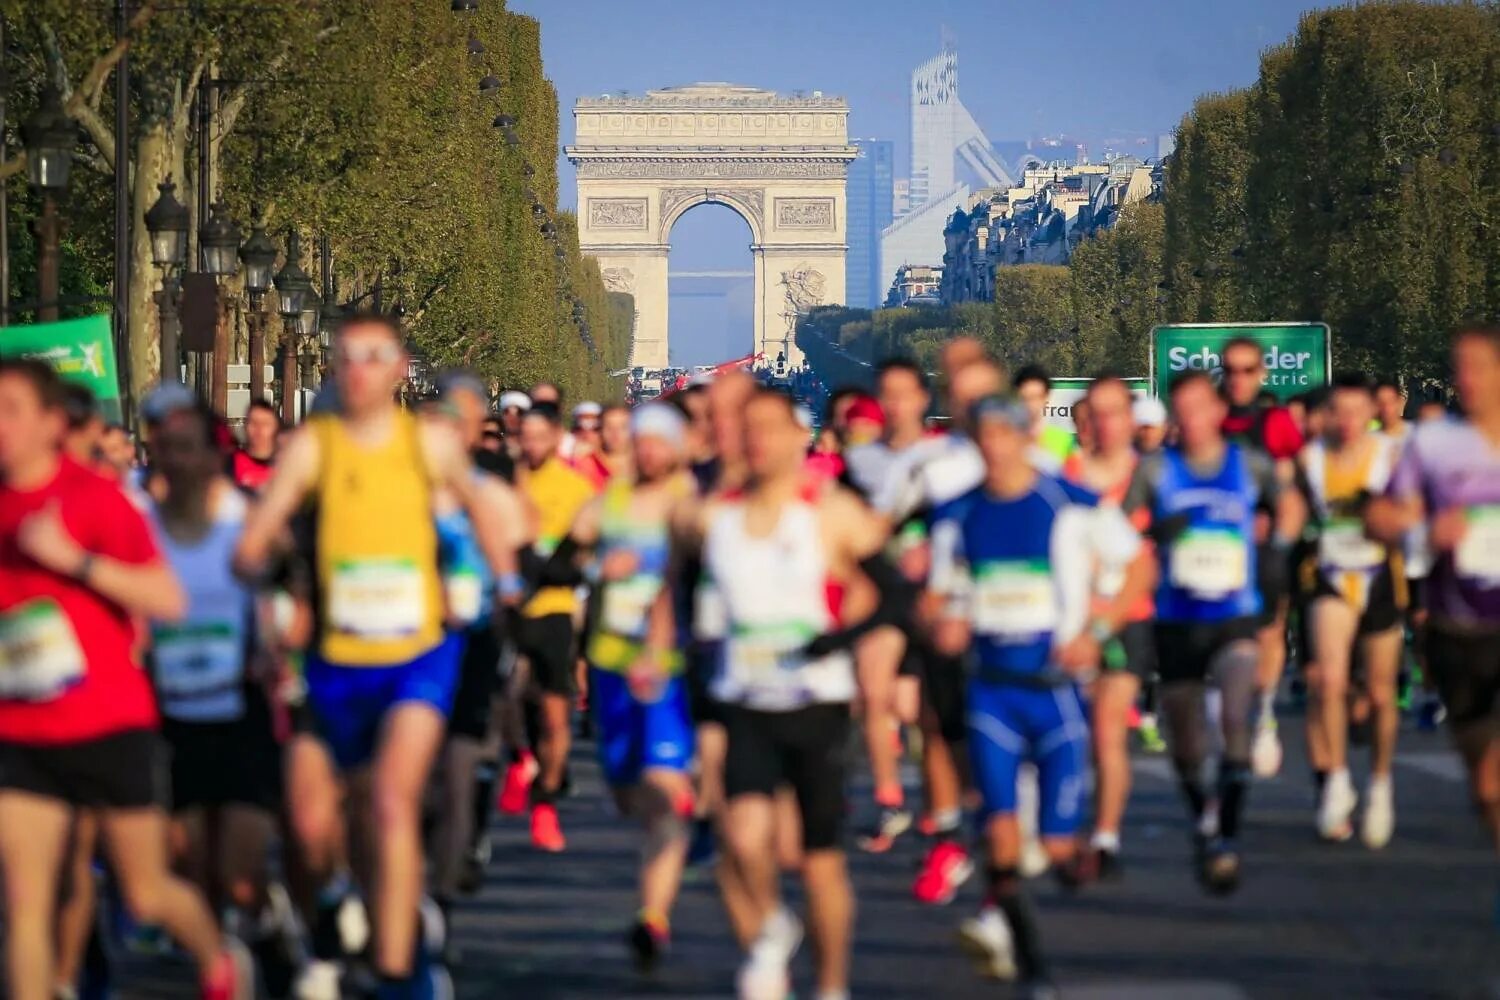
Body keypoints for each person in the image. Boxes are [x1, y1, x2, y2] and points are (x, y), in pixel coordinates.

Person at [235, 313, 515, 998]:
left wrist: (490, 582)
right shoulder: (312, 448)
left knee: (390, 802)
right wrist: (264, 569)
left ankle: (397, 973)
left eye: (374, 355)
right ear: (334, 367)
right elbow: (256, 538)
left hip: (415, 656)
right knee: (310, 823)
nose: (359, 368)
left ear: (398, 367)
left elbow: (482, 517)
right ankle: (335, 902)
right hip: (331, 660)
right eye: (347, 356)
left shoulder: (430, 447)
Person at [0, 358, 251, 1000]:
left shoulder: (94, 498)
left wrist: (74, 560)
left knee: (144, 894)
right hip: (20, 731)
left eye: (11, 410)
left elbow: (166, 599)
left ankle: (217, 960)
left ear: (52, 422)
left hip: (108, 724)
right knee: (27, 907)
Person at [678, 388, 893, 1000]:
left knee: (818, 860)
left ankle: (830, 984)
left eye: (774, 429)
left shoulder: (831, 511)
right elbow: (691, 608)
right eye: (750, 429)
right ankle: (773, 929)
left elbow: (893, 594)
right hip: (743, 698)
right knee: (740, 837)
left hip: (815, 702)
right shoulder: (708, 519)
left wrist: (838, 640)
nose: (760, 442)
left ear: (799, 437)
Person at [932, 394, 1150, 994]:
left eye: (1006, 436)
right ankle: (1031, 968)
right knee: (1000, 833)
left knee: (1055, 850)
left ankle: (1080, 855)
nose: (995, 449)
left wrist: (1098, 629)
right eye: (985, 437)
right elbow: (940, 594)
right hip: (991, 692)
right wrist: (943, 618)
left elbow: (1139, 566)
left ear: (1027, 436)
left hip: (1056, 691)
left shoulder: (1069, 502)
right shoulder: (958, 513)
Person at [1122, 369, 1301, 893]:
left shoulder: (1249, 465)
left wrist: (1277, 548)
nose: (1192, 420)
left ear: (1219, 411)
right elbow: (1120, 526)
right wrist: (1153, 532)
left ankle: (1225, 832)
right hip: (1177, 619)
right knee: (1185, 744)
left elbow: (1288, 502)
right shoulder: (1156, 471)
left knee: (1234, 713)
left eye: (1201, 408)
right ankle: (1204, 815)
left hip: (1234, 615)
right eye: (1182, 411)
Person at [558, 404, 697, 969]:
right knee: (624, 789)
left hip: (667, 670)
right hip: (613, 664)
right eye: (642, 443)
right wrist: (595, 571)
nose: (649, 453)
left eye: (660, 443)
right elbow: (564, 559)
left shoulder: (694, 501)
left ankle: (652, 916)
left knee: (665, 794)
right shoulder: (609, 502)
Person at [146, 401, 284, 944]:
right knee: (193, 866)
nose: (175, 461)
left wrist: (282, 636)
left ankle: (269, 928)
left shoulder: (246, 520)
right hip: (172, 713)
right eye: (165, 449)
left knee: (241, 871)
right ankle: (222, 964)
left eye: (187, 449)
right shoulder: (141, 525)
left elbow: (290, 591)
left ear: (212, 455)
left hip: (241, 708)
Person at [1368, 326, 1500, 877]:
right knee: (1487, 782)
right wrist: (1425, 525)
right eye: (1457, 368)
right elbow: (1380, 516)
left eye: (1477, 367)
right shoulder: (1433, 444)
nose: (1464, 379)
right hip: (1459, 628)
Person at [425, 374, 530, 936]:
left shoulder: (492, 497)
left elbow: (520, 574)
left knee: (458, 769)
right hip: (408, 641)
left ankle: (440, 895)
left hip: (473, 642)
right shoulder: (401, 491)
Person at [1298, 373, 1404, 847]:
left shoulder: (1391, 455)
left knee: (1380, 694)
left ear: (1370, 415)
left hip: (1381, 576)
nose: (1347, 422)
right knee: (1332, 681)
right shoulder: (1310, 459)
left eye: (1357, 412)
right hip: (1332, 576)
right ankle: (1338, 780)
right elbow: (1294, 517)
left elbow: (1412, 514)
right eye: (1338, 412)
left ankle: (1380, 784)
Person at [1061, 376, 1159, 879]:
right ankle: (1061, 827)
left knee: (1106, 729)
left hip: (1128, 618)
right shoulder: (1064, 477)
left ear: (1130, 419)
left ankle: (1104, 837)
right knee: (1065, 733)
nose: (1103, 424)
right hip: (1069, 623)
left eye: (1114, 412)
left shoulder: (1153, 477)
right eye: (1093, 414)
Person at [1217, 337, 1307, 779]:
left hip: (1265, 538)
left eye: (1248, 370)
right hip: (1217, 545)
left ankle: (1265, 711)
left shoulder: (1275, 422)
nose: (1238, 379)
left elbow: (1292, 483)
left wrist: (1280, 532)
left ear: (1262, 373)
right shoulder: (1210, 419)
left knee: (1270, 628)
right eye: (1230, 370)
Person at [512, 401, 598, 852]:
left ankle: (546, 793)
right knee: (511, 700)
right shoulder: (503, 483)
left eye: (540, 436)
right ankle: (520, 759)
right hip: (510, 610)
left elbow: (586, 548)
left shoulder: (574, 487)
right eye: (524, 436)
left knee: (553, 710)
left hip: (555, 609)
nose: (531, 445)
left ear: (555, 436)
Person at [1012, 365, 1075, 471]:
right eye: (1025, 398)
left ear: (1046, 398)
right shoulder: (1006, 441)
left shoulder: (1063, 442)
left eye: (1036, 397)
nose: (1031, 405)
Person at [232, 400, 281, 494]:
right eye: (254, 423)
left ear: (275, 427)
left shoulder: (285, 464)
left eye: (265, 424)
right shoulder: (231, 463)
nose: (259, 429)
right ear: (245, 426)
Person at [1374, 378, 1410, 449]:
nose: (1386, 408)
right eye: (1380, 403)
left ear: (1400, 402)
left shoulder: (1418, 436)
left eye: (1391, 402)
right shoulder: (1368, 442)